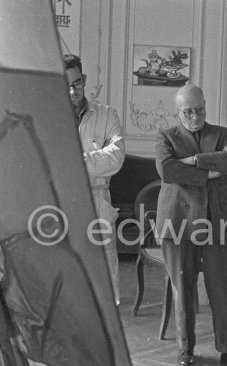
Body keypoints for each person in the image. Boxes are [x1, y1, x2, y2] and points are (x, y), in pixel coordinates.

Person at [155, 85, 227, 366]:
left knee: (222, 288)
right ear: (178, 112)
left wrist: (194, 162)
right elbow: (167, 170)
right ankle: (186, 349)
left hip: (217, 219)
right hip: (177, 221)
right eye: (188, 111)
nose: (195, 116)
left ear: (205, 105)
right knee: (183, 287)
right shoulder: (166, 136)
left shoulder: (223, 134)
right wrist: (211, 172)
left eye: (200, 109)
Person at [63, 54, 125, 305]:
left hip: (98, 200)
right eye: (66, 84)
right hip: (61, 201)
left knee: (104, 277)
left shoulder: (107, 115)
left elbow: (117, 158)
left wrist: (73, 162)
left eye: (77, 83)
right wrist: (93, 161)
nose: (72, 90)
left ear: (85, 79)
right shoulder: (50, 117)